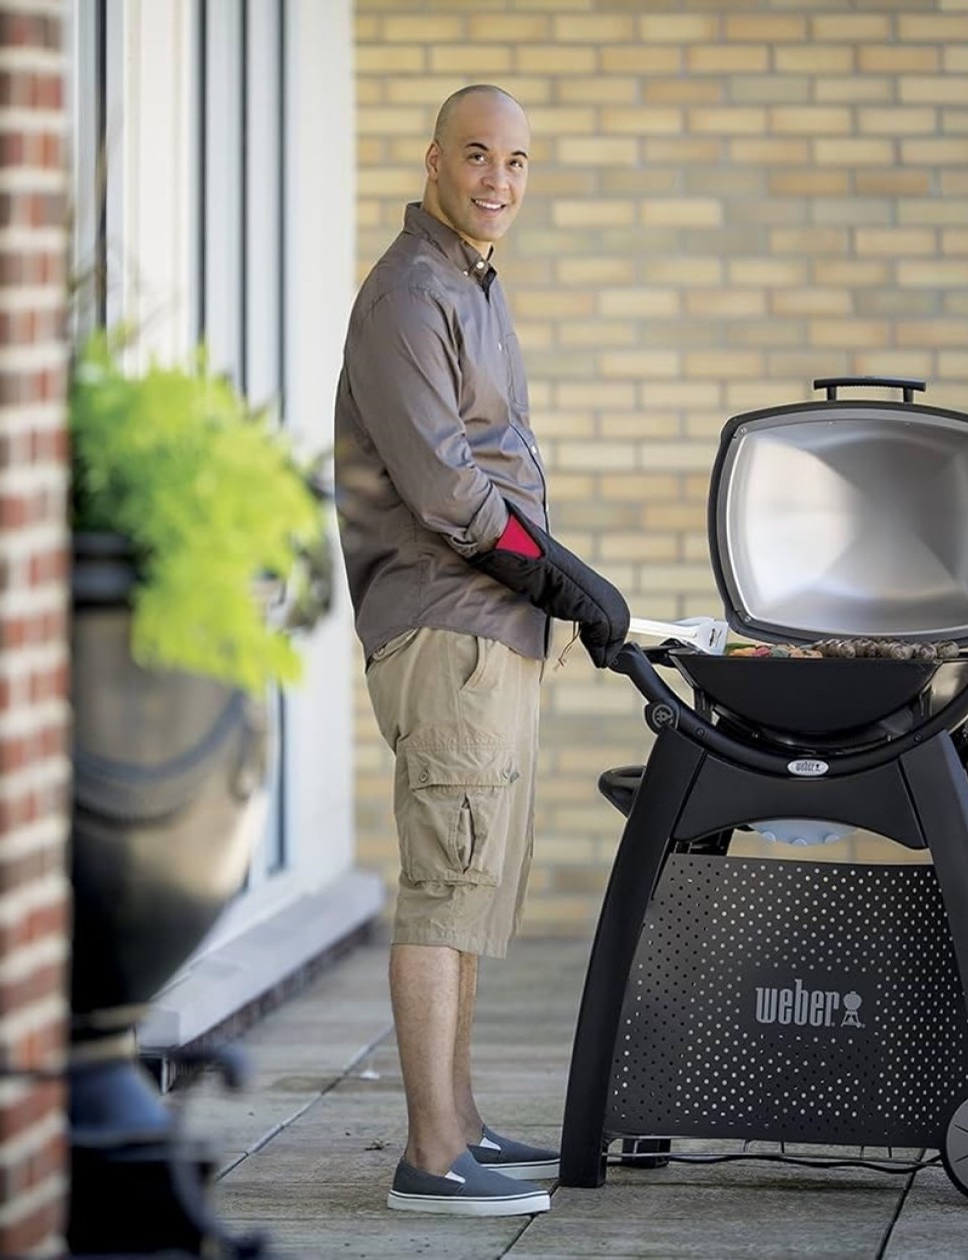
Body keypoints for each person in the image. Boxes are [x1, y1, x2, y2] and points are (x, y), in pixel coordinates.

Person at [332, 84, 630, 1218]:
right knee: (445, 884)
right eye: (476, 155)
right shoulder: (410, 295)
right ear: (433, 161)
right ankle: (430, 1155)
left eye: (516, 161)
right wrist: (562, 577)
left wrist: (557, 590)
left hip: (493, 630)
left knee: (471, 889)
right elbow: (449, 491)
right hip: (447, 623)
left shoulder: (473, 285)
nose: (498, 179)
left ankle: (458, 1124)